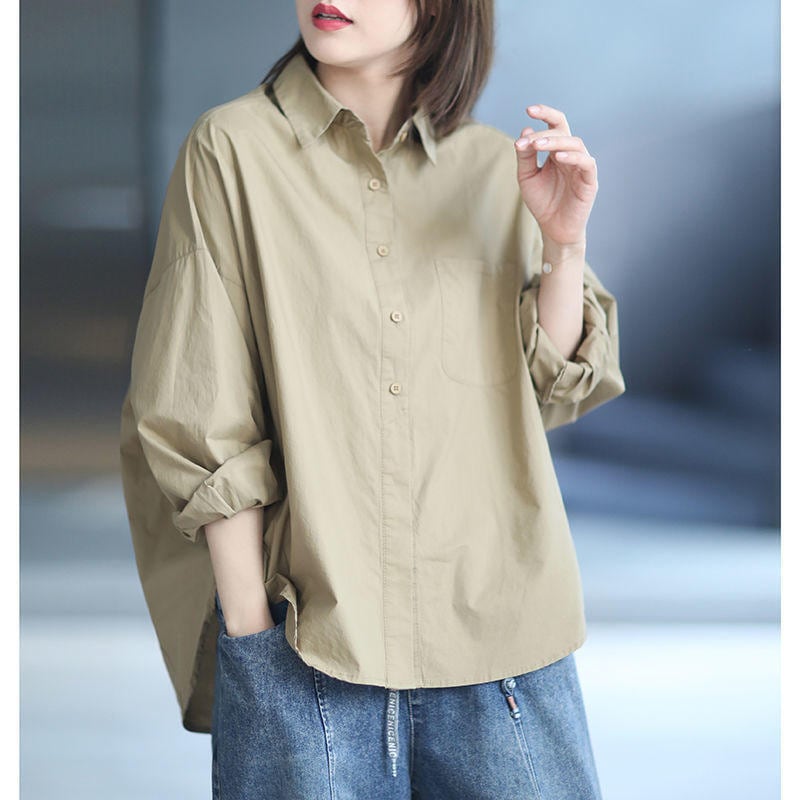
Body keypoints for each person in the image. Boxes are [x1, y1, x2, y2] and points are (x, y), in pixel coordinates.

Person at [119, 1, 626, 797]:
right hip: (308, 650)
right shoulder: (233, 150)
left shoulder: (495, 167)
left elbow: (551, 387)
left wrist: (565, 246)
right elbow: (197, 411)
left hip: (505, 653)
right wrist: (252, 636)